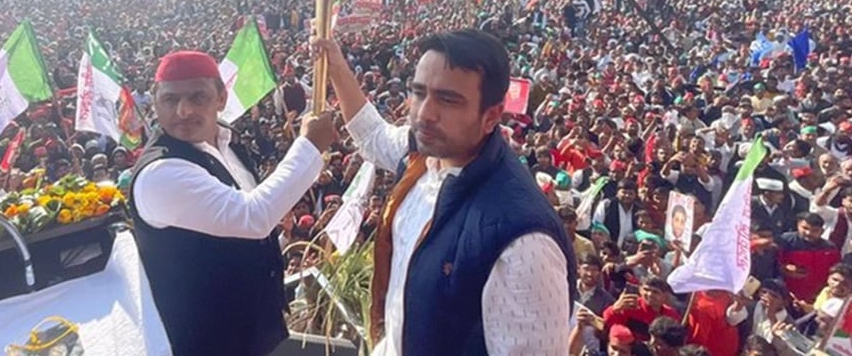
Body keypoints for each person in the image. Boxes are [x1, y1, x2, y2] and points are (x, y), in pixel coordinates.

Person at [314, 31, 576, 355]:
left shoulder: (523, 239)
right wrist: (337, 66)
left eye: (448, 100)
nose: (425, 113)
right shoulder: (425, 155)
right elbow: (373, 136)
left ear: (492, 116)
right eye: (419, 92)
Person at [127, 50, 337, 356]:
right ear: (155, 101)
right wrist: (309, 146)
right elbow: (252, 217)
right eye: (170, 100)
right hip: (204, 340)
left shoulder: (227, 143)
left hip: (249, 331)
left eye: (198, 97)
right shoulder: (161, 173)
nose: (183, 111)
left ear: (221, 99)